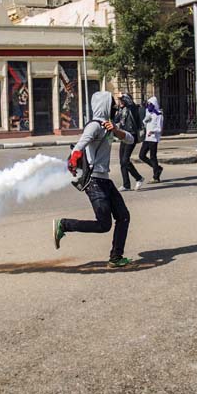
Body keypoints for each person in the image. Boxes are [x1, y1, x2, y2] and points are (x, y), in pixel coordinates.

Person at [54, 91, 135, 268]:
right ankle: (64, 225)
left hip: (105, 181)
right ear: (104, 106)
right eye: (112, 104)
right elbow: (81, 144)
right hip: (94, 182)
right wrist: (74, 157)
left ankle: (116, 257)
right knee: (104, 224)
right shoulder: (94, 126)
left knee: (124, 217)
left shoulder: (108, 126)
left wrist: (115, 130)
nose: (115, 107)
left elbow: (131, 139)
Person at [115, 93, 144, 191]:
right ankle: (126, 184)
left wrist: (121, 96)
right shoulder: (122, 110)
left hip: (132, 136)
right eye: (120, 101)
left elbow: (130, 102)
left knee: (125, 160)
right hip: (124, 135)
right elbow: (116, 120)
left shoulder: (133, 108)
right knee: (122, 161)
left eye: (122, 100)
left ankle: (139, 178)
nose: (121, 102)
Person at [139, 96, 163, 183]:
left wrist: (152, 131)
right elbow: (145, 123)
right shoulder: (148, 112)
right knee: (141, 155)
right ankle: (157, 168)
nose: (149, 105)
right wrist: (145, 120)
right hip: (147, 138)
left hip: (154, 139)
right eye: (148, 104)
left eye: (150, 104)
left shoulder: (158, 115)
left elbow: (159, 129)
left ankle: (156, 177)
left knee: (153, 157)